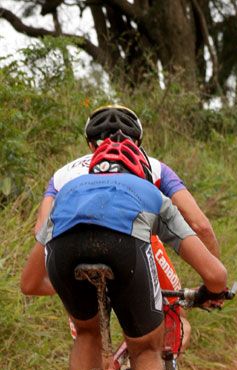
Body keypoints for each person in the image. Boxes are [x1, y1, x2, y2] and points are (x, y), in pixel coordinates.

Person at [21, 137, 227, 370]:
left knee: (87, 334)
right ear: (141, 172)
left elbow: (29, 283)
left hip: (65, 256)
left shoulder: (66, 195)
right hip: (126, 251)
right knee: (147, 349)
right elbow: (215, 273)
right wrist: (213, 291)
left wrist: (75, 282)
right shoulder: (150, 193)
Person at [23, 104, 220, 350]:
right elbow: (199, 225)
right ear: (138, 141)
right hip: (135, 246)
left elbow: (42, 228)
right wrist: (213, 288)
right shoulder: (154, 166)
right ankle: (147, 367)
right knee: (171, 319)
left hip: (67, 249)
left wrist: (61, 279)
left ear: (89, 144)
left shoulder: (63, 174)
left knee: (88, 336)